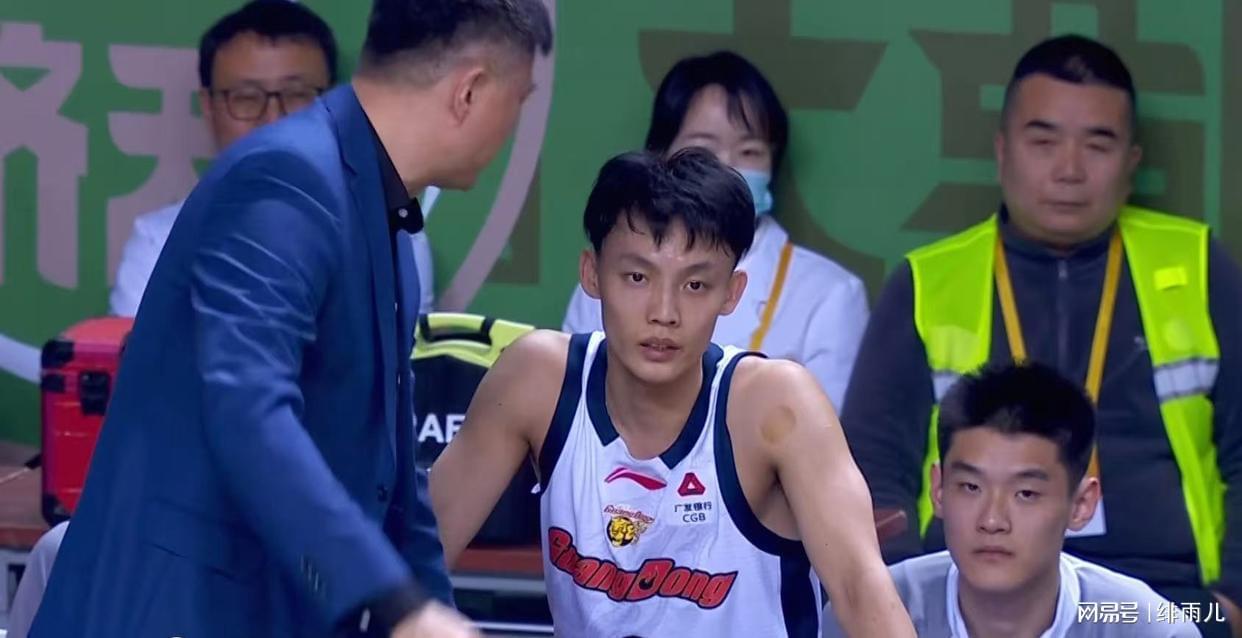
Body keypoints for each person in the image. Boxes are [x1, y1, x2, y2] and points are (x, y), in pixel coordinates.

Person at [30, 1, 551, 636]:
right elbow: (247, 409)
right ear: (469, 91)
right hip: (176, 611)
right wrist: (394, 602)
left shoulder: (383, 214)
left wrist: (427, 606)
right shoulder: (290, 176)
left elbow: (392, 479)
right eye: (518, 100)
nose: (514, 123)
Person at [841, 33, 1242, 638]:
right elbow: (872, 467)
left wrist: (1232, 601)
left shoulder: (1198, 267)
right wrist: (905, 606)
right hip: (968, 595)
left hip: (1168, 596)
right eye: (1044, 141)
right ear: (1003, 150)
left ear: (1132, 162)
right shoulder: (928, 282)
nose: (1069, 170)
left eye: (1097, 144)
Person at [431, 148, 915, 637]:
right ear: (591, 274)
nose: (664, 312)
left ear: (732, 292)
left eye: (696, 284)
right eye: (637, 277)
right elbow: (417, 553)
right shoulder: (536, 380)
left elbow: (861, 591)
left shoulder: (776, 405)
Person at [561, 51, 868, 409]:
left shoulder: (831, 295)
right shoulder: (613, 271)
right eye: (703, 150)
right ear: (660, 154)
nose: (728, 168)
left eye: (749, 152)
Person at [108, 0, 436, 318]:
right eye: (246, 98)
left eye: (298, 95)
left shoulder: (393, 246)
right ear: (209, 107)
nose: (274, 120)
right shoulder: (159, 245)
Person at [824, 362, 1201, 637]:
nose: (992, 520)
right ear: (939, 489)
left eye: (1026, 494)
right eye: (970, 487)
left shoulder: (1149, 629)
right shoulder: (865, 615)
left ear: (1081, 505)